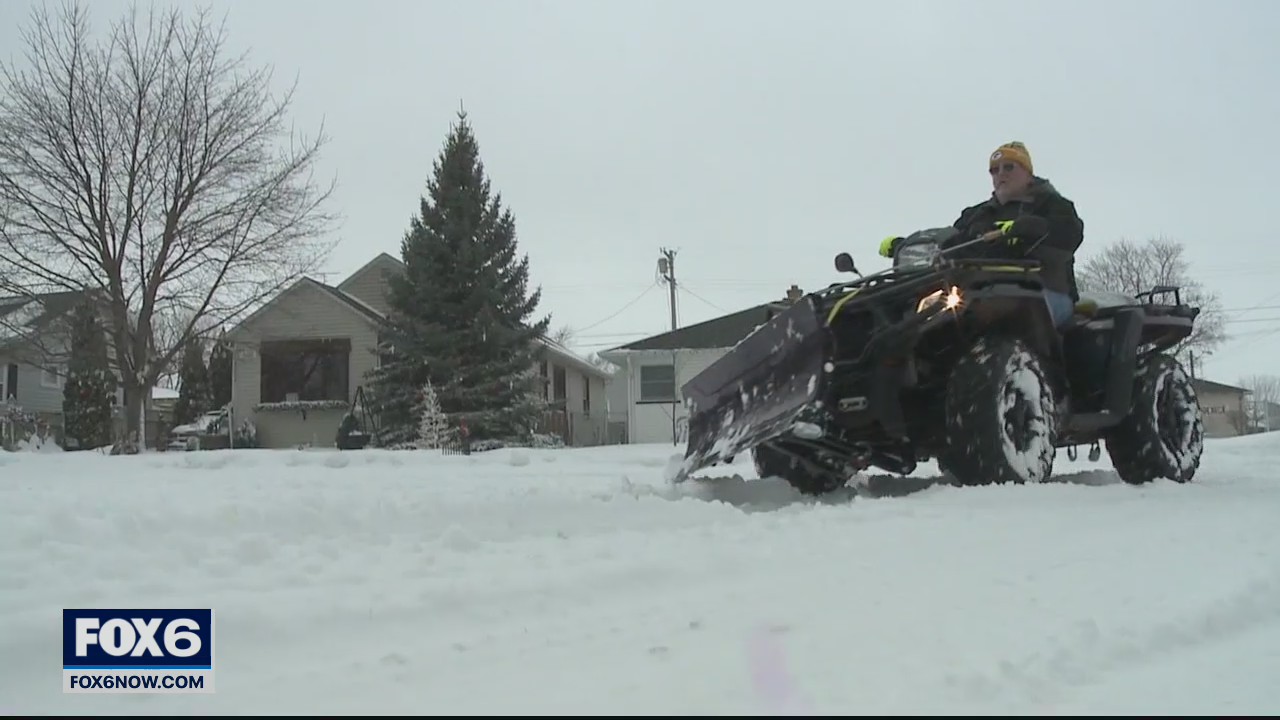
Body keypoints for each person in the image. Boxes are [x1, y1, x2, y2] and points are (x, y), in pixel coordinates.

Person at [948, 141, 1085, 328]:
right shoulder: (976, 215)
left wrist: (1035, 228)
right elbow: (950, 243)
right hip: (977, 293)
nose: (1000, 174)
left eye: (1008, 167)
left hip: (1042, 291)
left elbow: (1068, 236)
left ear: (1028, 173)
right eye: (994, 170)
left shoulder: (1054, 205)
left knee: (1010, 315)